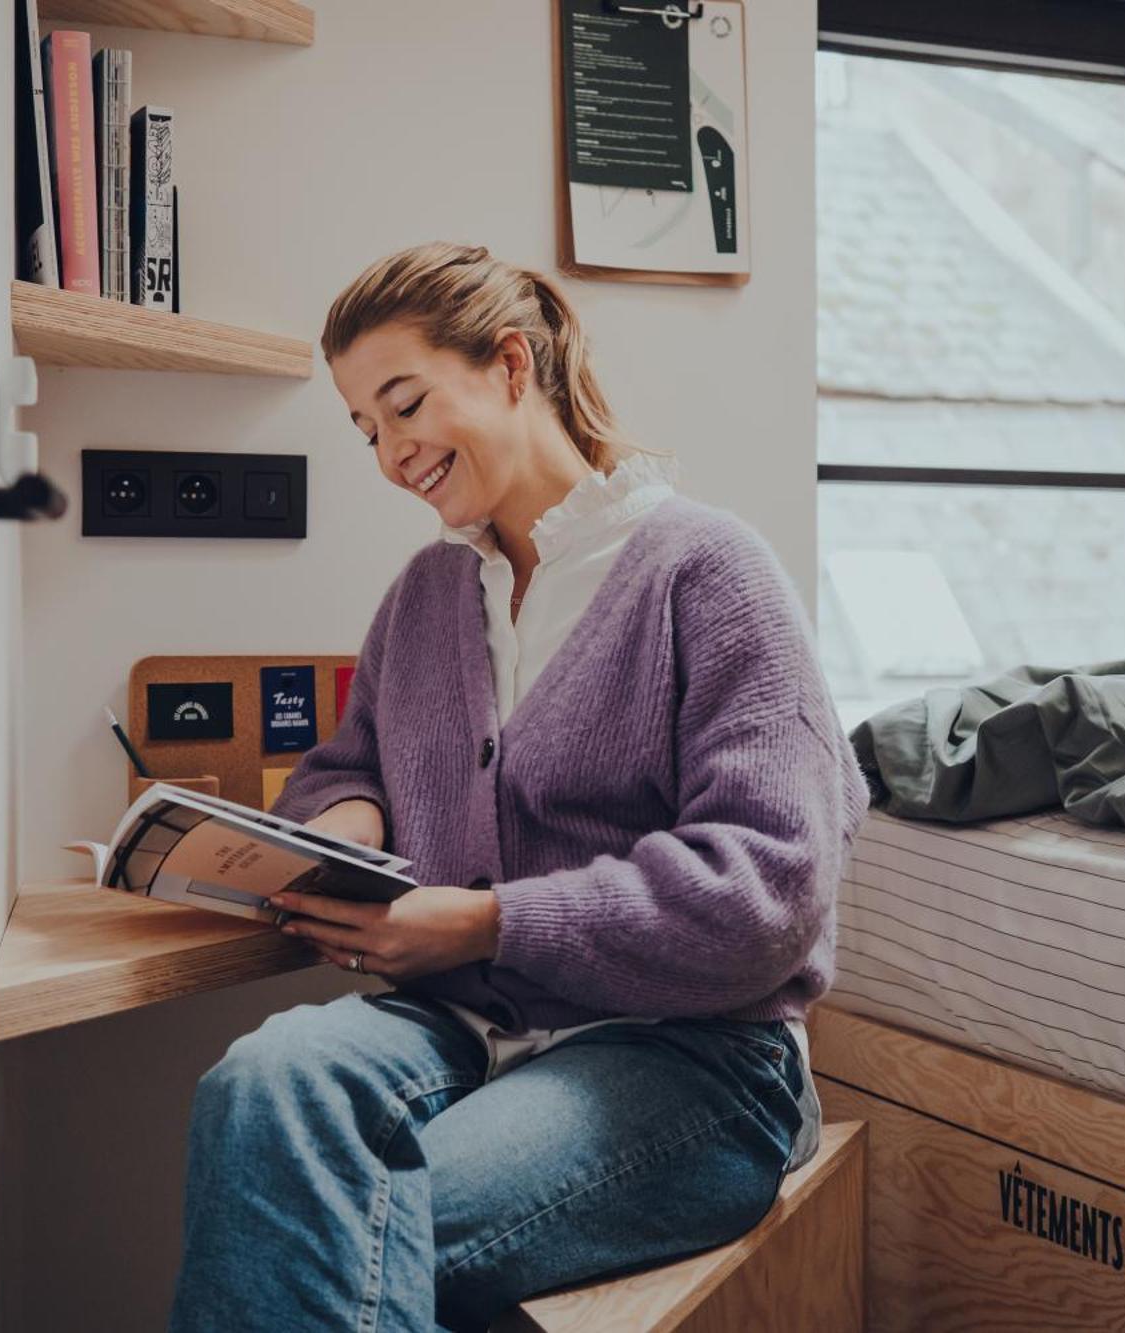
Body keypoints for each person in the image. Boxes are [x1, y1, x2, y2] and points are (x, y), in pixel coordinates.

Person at [167, 242, 869, 1333]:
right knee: (261, 1083)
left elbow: (767, 889)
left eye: (404, 407)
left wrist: (488, 926)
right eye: (365, 431)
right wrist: (342, 835)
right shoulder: (428, 593)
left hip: (690, 1061)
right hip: (460, 1028)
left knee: (337, 1224)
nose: (392, 454)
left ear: (506, 365)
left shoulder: (707, 572)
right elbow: (345, 766)